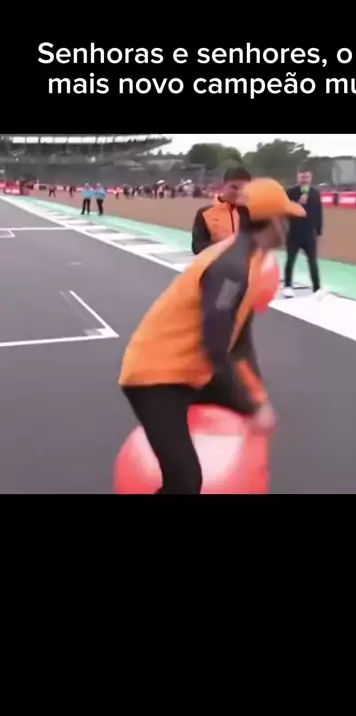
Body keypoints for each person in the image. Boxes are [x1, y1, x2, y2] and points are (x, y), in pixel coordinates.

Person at [119, 178, 306, 495]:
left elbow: (239, 341)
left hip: (190, 369)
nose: (287, 227)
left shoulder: (251, 259)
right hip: (156, 376)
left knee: (253, 413)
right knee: (185, 480)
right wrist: (249, 401)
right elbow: (217, 347)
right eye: (285, 219)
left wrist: (256, 401)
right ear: (274, 221)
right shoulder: (232, 267)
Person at [283, 170, 325, 299]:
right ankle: (288, 286)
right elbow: (284, 209)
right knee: (290, 260)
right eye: (302, 177)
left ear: (311, 178)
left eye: (307, 177)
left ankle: (317, 287)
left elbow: (319, 212)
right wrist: (297, 204)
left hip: (309, 233)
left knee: (312, 261)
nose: (304, 179)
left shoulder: (315, 193)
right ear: (298, 178)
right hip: (294, 232)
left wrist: (319, 230)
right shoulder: (290, 192)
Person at [191, 167, 252, 254]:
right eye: (234, 187)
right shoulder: (205, 213)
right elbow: (197, 246)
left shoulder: (253, 212)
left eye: (243, 188)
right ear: (223, 185)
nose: (238, 192)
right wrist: (227, 249)